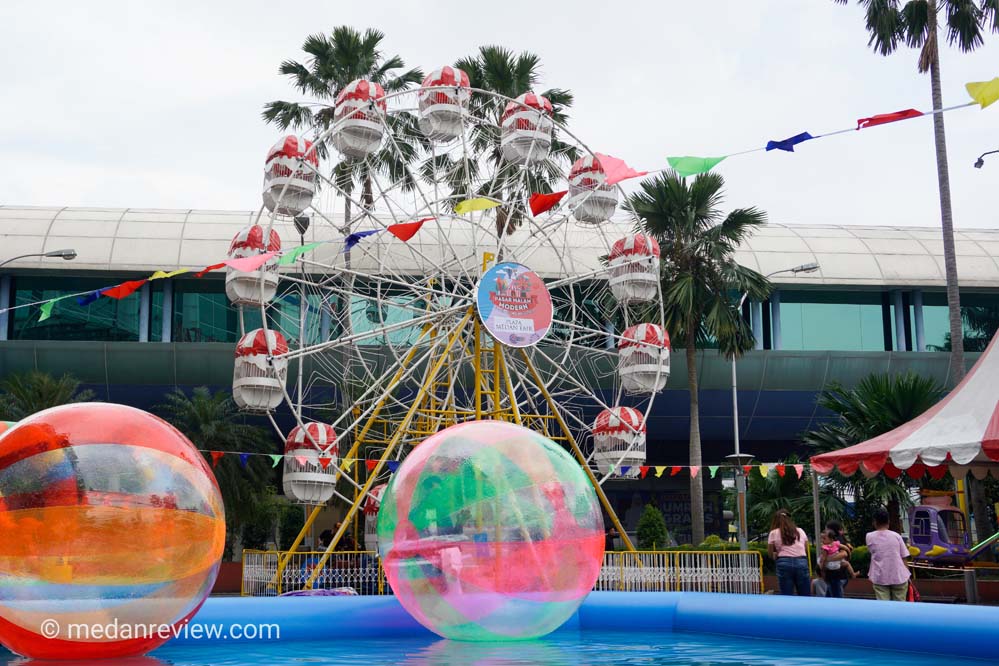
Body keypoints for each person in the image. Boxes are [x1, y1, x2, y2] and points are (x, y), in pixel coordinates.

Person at [866, 508, 911, 601]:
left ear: (874, 522)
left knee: (883, 607)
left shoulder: (869, 536)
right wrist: (908, 574)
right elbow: (904, 557)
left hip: (880, 576)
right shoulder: (896, 536)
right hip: (899, 575)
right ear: (888, 521)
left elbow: (872, 551)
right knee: (899, 606)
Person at [767, 510, 810, 596]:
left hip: (784, 563)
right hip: (801, 561)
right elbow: (805, 548)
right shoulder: (800, 531)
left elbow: (770, 552)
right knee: (805, 594)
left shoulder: (773, 533)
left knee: (786, 594)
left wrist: (775, 555)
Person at [819, 529, 857, 598]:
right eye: (822, 538)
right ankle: (853, 574)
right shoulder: (836, 543)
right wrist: (849, 555)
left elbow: (823, 558)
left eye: (824, 538)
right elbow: (846, 548)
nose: (822, 540)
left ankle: (824, 578)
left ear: (831, 538)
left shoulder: (825, 547)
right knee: (847, 564)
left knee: (825, 572)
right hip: (837, 563)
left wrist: (821, 565)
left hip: (830, 565)